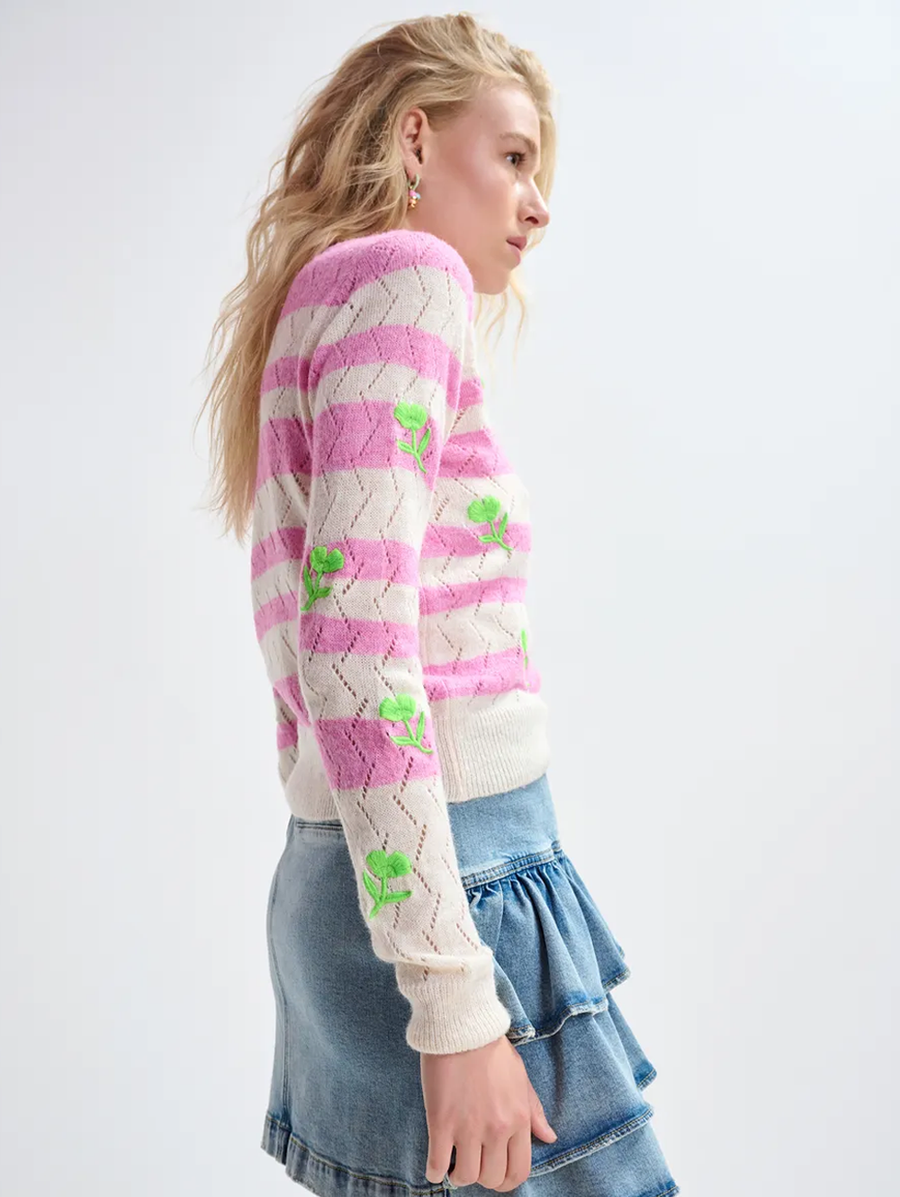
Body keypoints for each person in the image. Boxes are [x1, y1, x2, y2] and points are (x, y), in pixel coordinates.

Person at [197, 13, 680, 1197]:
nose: (538, 204)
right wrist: (456, 1003)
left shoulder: (317, 306)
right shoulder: (406, 279)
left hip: (352, 874)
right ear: (416, 138)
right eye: (513, 157)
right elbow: (354, 654)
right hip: (451, 886)